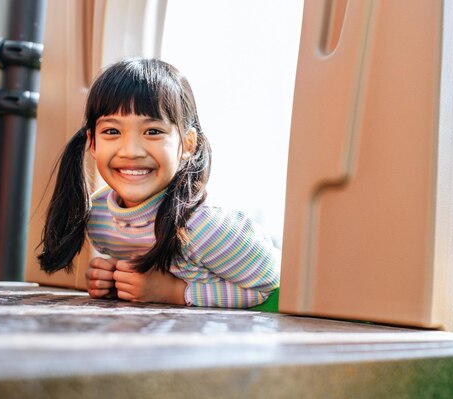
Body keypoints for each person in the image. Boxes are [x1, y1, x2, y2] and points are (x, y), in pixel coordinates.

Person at [37, 58, 280, 308]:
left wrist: (176, 292)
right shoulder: (99, 217)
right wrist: (112, 279)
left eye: (153, 131)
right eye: (111, 131)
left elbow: (275, 291)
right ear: (92, 143)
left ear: (188, 144)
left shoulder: (206, 227)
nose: (130, 151)